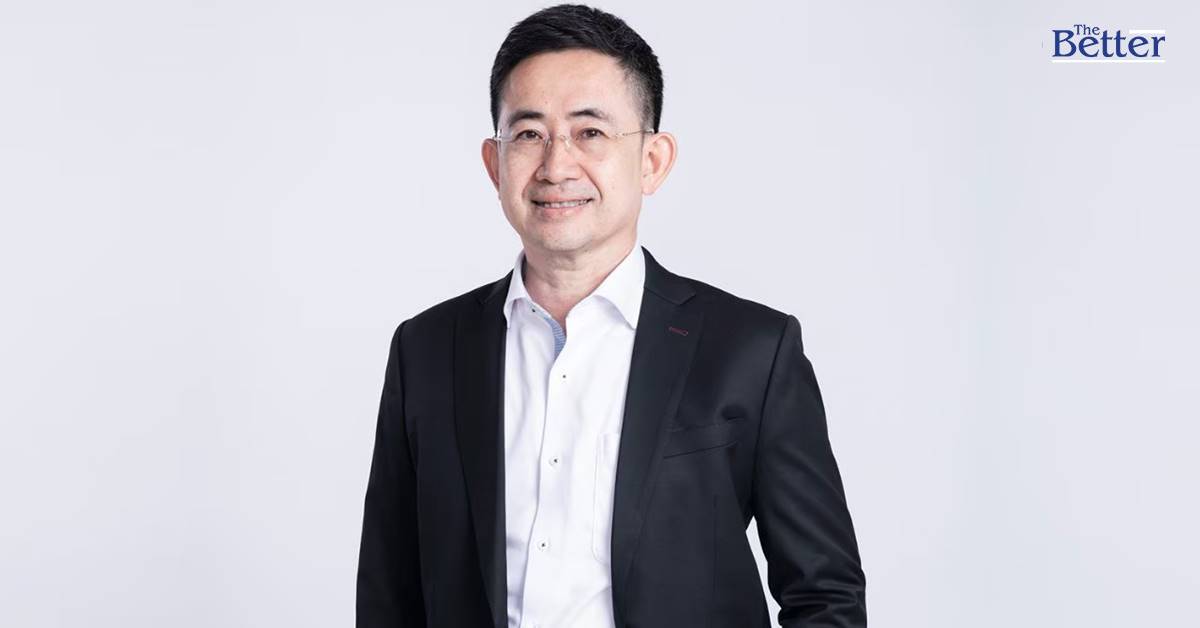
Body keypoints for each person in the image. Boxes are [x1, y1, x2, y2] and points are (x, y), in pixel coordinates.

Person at [355, 4, 866, 627]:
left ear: (653, 160)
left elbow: (825, 595)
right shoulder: (427, 350)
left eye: (590, 132)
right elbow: (388, 596)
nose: (556, 166)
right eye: (529, 134)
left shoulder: (752, 351)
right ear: (495, 163)